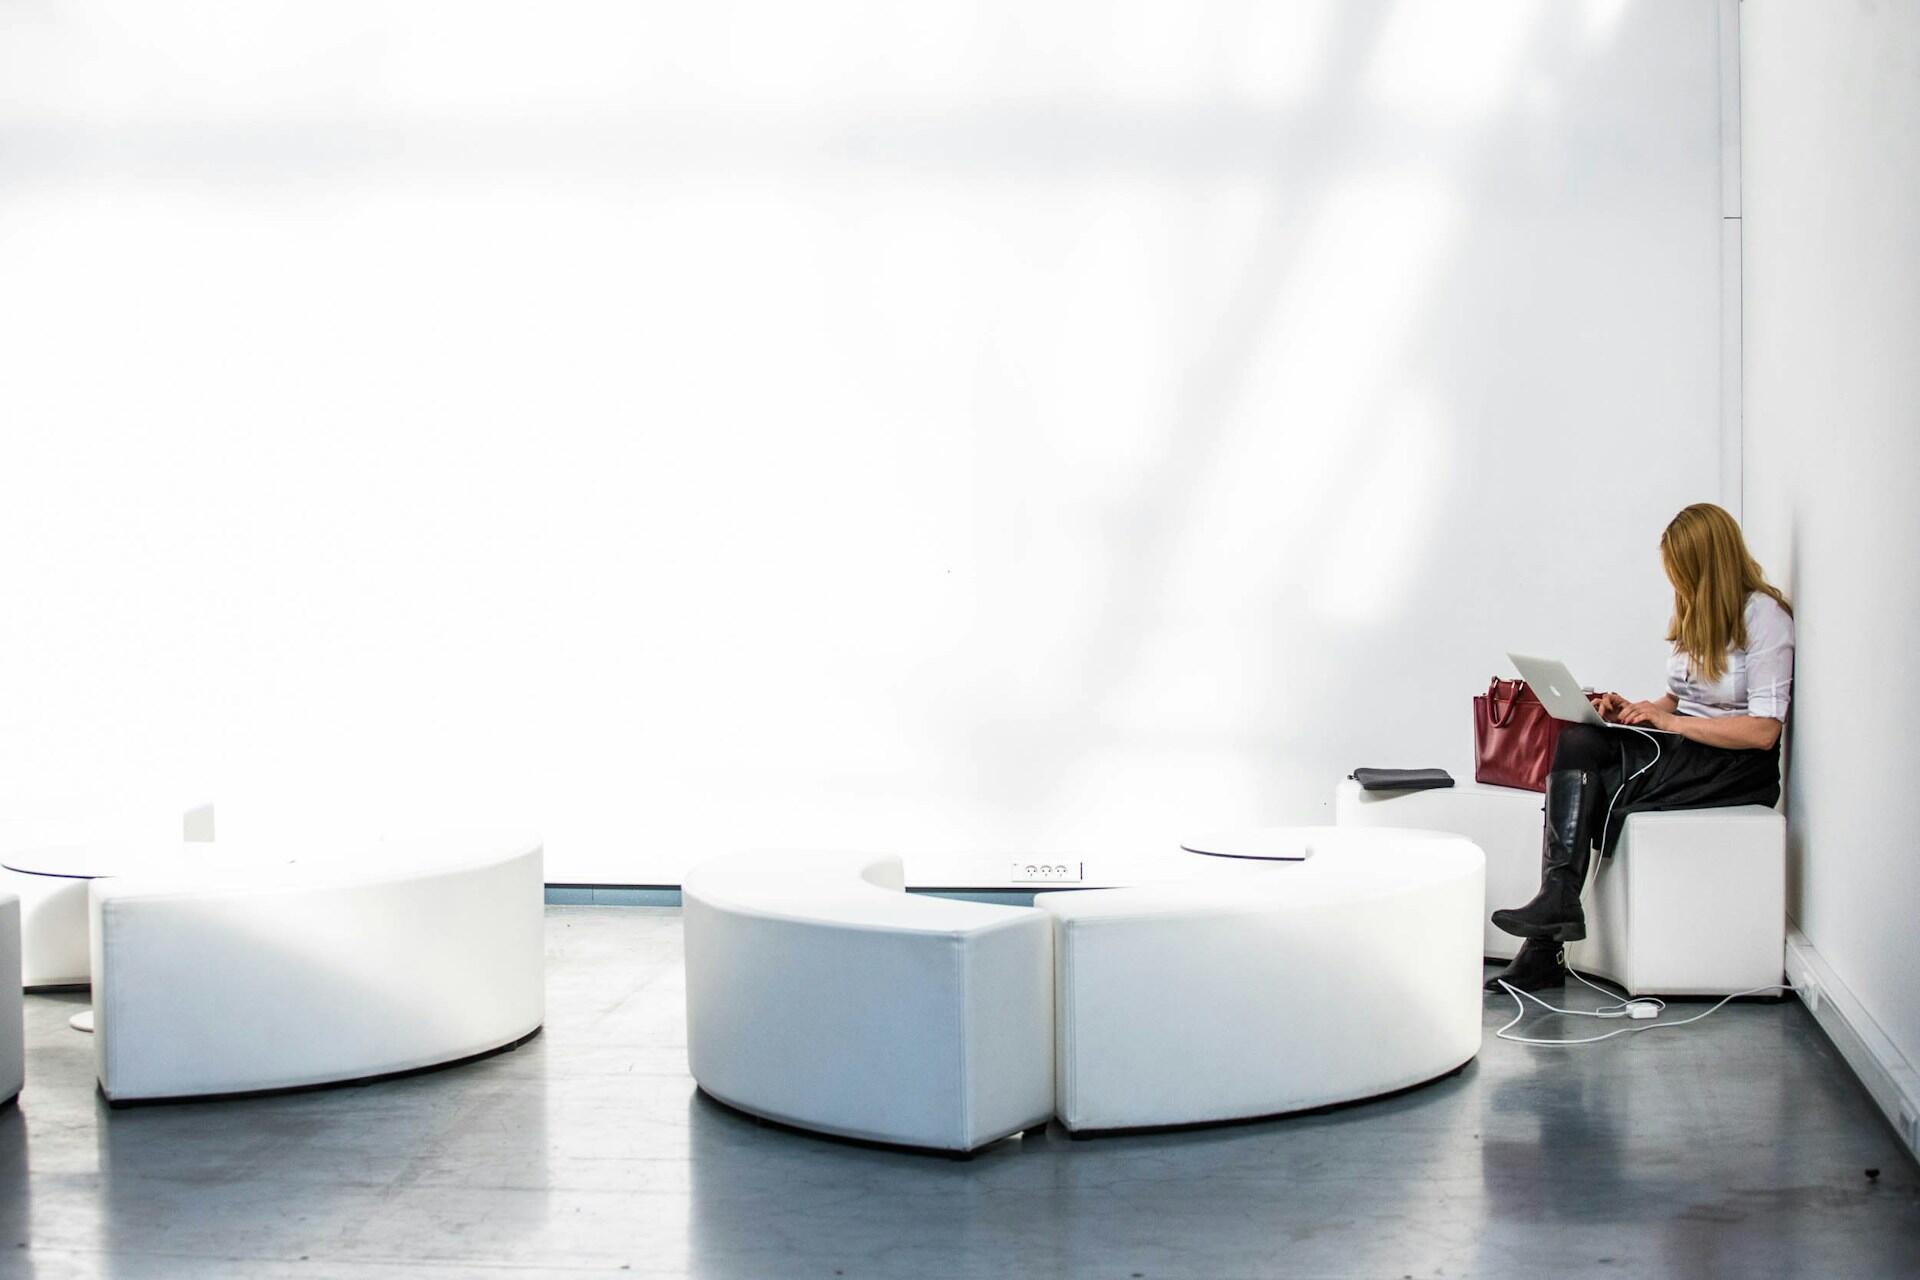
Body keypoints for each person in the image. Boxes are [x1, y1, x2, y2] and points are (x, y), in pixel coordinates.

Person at [1486, 503, 1794, 993]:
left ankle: (1546, 939)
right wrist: (1634, 709)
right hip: (1689, 746)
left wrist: (1669, 722)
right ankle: (1556, 907)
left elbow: (1763, 732)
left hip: (1737, 766)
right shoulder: (1697, 613)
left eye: (1684, 574)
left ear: (1707, 567)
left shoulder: (1765, 619)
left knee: (1598, 775)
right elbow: (1681, 697)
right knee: (1581, 741)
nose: (1678, 586)